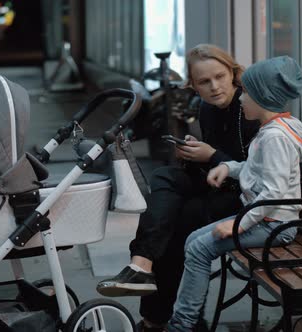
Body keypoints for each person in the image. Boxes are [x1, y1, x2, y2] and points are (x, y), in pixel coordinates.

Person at [96, 44, 261, 331]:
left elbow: (257, 174)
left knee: (176, 226)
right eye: (204, 82)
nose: (215, 87)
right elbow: (214, 162)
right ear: (194, 86)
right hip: (218, 184)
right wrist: (194, 155)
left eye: (220, 77)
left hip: (249, 199)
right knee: (164, 177)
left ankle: (158, 319)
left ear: (232, 74)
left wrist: (211, 155)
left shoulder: (250, 108)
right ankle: (141, 264)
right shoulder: (206, 108)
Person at [167, 56, 302, 332]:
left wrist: (237, 224)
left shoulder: (274, 138)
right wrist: (228, 167)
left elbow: (273, 194)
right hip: (265, 220)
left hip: (274, 226)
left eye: (246, 92)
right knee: (192, 241)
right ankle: (187, 320)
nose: (241, 98)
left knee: (198, 248)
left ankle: (183, 325)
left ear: (263, 97)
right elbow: (258, 170)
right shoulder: (273, 130)